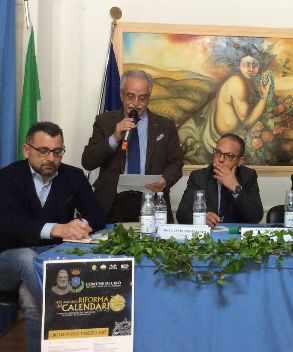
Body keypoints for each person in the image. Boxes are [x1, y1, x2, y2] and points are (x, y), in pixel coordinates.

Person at [0, 121, 106, 352]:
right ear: (26, 150)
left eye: (57, 152)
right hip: (9, 259)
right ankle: (71, 311)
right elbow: (6, 223)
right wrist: (56, 229)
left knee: (31, 301)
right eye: (43, 151)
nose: (51, 158)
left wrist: (80, 225)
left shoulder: (73, 176)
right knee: (27, 258)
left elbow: (97, 215)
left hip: (52, 258)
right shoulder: (7, 177)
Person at [82, 70, 183, 223]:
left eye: (142, 97)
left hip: (152, 200)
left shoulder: (165, 126)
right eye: (130, 96)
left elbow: (176, 162)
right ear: (121, 94)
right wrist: (114, 137)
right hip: (112, 203)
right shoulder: (105, 121)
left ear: (149, 97)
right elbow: (88, 162)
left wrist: (165, 179)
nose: (136, 103)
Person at [176, 133, 263, 228]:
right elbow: (181, 214)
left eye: (228, 155)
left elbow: (256, 217)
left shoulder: (248, 176)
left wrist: (235, 187)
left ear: (240, 161)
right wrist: (202, 217)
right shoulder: (199, 177)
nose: (220, 159)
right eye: (218, 152)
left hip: (235, 234)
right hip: (208, 233)